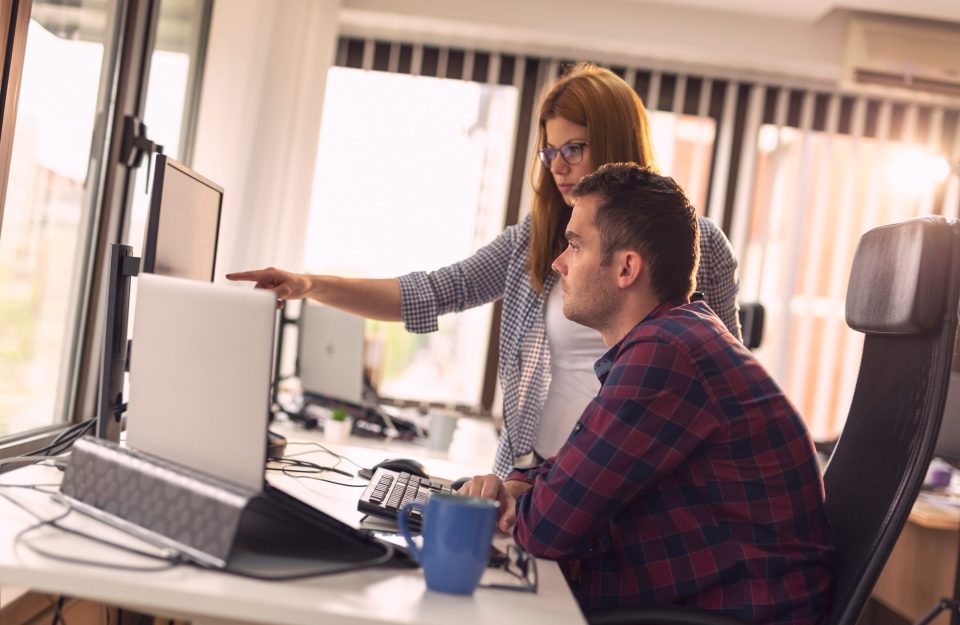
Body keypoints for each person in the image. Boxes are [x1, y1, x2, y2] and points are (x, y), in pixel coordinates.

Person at [226, 63, 742, 479]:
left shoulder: (698, 243)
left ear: (613, 144)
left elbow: (723, 383)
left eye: (574, 149)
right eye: (549, 151)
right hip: (533, 471)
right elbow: (432, 292)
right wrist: (309, 285)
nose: (557, 166)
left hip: (628, 485)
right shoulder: (535, 241)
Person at [459, 164, 833, 623]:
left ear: (626, 268)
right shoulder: (671, 340)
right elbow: (572, 470)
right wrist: (518, 486)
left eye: (574, 245)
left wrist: (520, 498)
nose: (558, 263)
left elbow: (547, 529)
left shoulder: (667, 353)